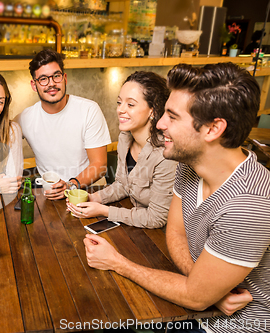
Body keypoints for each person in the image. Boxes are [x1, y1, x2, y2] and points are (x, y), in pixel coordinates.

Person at [84, 63, 269, 333]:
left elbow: (195, 298)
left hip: (233, 325)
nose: (159, 124)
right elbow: (175, 232)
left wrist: (117, 262)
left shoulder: (248, 206)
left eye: (172, 116)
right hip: (199, 304)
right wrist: (205, 287)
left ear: (212, 129)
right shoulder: (189, 163)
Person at [67, 71, 177, 228]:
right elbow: (123, 185)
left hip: (163, 234)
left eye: (130, 104)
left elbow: (156, 218)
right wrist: (94, 198)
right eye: (119, 102)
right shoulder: (125, 137)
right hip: (135, 223)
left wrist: (104, 211)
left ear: (153, 110)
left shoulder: (165, 154)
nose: (120, 110)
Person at [15, 49, 112, 200]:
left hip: (90, 191)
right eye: (43, 79)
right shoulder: (24, 118)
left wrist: (70, 185)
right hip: (50, 194)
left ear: (64, 78)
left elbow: (99, 165)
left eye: (56, 76)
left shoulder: (88, 110)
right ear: (34, 86)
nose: (51, 83)